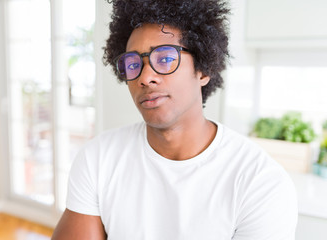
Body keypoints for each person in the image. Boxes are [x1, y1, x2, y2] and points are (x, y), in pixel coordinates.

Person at [52, 0, 298, 239]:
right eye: (133, 63)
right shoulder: (98, 159)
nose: (145, 77)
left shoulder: (261, 184)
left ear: (203, 69)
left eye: (166, 58)